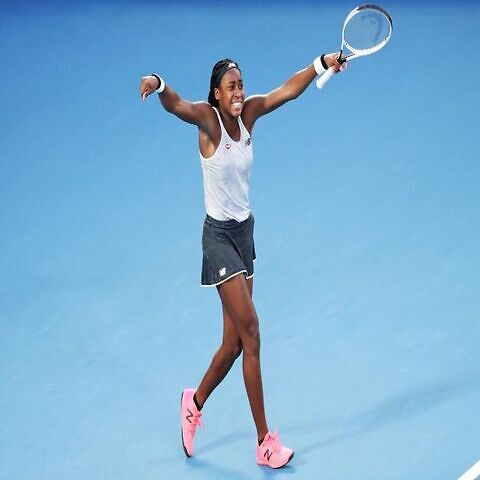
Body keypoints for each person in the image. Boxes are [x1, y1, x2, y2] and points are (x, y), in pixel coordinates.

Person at [140, 52, 345, 469]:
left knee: (234, 344)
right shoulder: (208, 120)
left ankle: (192, 402)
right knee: (251, 333)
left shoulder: (248, 115)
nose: (240, 92)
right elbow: (177, 105)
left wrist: (321, 64)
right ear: (216, 94)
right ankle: (264, 442)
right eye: (232, 87)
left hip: (244, 234)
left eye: (241, 84)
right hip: (218, 240)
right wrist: (160, 83)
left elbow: (286, 91)